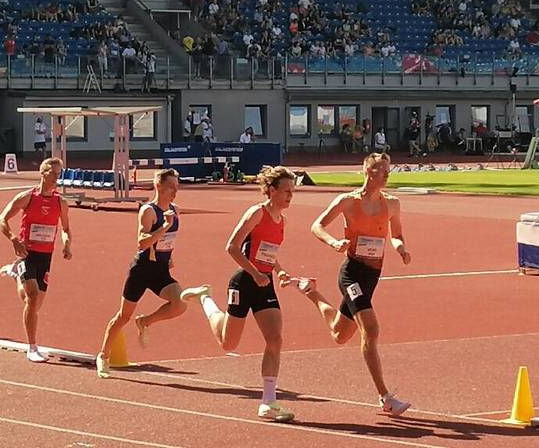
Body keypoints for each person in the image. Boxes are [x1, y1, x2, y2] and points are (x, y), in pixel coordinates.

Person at [290, 153, 412, 416]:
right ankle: (385, 397)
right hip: (352, 273)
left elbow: (397, 235)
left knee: (340, 334)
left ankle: (311, 292)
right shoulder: (347, 201)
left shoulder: (392, 204)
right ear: (369, 173)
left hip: (373, 275)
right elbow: (317, 225)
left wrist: (401, 249)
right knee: (371, 329)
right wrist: (333, 242)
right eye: (382, 170)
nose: (387, 174)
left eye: (389, 170)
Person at [181, 167, 298, 422]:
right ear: (272, 190)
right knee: (228, 343)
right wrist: (255, 273)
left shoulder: (283, 221)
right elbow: (232, 247)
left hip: (264, 283)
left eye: (293, 191)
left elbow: (268, 252)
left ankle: (268, 401)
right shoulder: (257, 213)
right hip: (244, 282)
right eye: (286, 191)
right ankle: (205, 298)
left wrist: (279, 271)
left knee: (275, 339)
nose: (291, 196)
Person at [96, 169, 187, 377]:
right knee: (123, 316)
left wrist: (169, 258)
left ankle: (145, 321)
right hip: (142, 269)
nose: (175, 191)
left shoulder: (176, 210)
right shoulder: (149, 211)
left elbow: (168, 241)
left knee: (180, 303)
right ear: (159, 187)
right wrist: (164, 226)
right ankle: (103, 355)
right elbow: (142, 243)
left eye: (177, 186)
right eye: (171, 187)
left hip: (161, 270)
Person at [0, 158, 73, 363]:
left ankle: (15, 274)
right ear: (43, 173)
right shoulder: (27, 197)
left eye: (59, 174)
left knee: (35, 303)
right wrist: (13, 238)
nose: (58, 177)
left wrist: (67, 244)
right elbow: (2, 219)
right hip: (27, 253)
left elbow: (65, 228)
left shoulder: (60, 202)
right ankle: (32, 347)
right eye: (54, 173)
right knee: (32, 296)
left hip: (45, 256)